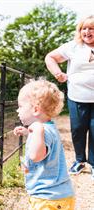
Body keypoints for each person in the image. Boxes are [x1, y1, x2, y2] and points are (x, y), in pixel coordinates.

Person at [45, 15, 94, 178]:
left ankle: (93, 164)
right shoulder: (73, 47)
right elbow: (50, 57)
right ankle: (80, 161)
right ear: (79, 31)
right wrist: (58, 73)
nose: (87, 31)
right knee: (78, 129)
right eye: (84, 28)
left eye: (91, 28)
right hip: (77, 96)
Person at [13, 79, 75, 210]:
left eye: (20, 106)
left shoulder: (41, 130)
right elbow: (44, 144)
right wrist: (29, 132)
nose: (17, 110)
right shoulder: (48, 128)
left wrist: (37, 129)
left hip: (47, 198)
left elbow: (36, 156)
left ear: (35, 109)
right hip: (57, 196)